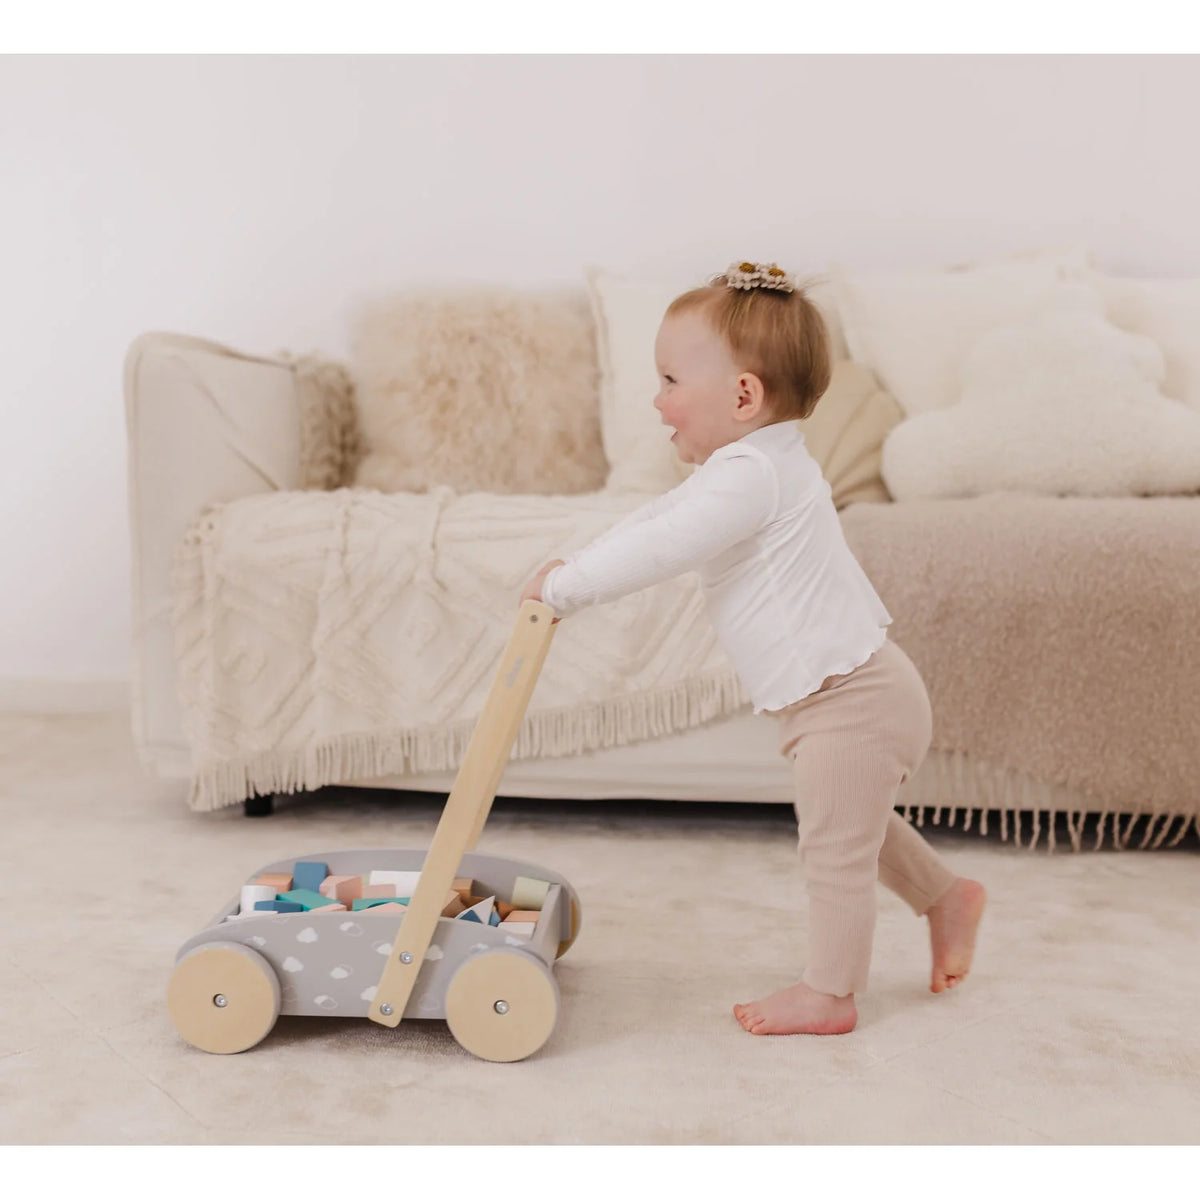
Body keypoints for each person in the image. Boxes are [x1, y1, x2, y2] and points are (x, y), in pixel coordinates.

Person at [519, 261, 986, 1036]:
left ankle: (831, 993)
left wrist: (569, 590)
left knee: (831, 849)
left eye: (670, 379)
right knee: (851, 822)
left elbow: (666, 546)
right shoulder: (752, 466)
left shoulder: (751, 476)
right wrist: (569, 571)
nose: (658, 399)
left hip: (854, 698)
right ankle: (945, 896)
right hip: (849, 694)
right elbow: (656, 521)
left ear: (742, 396)